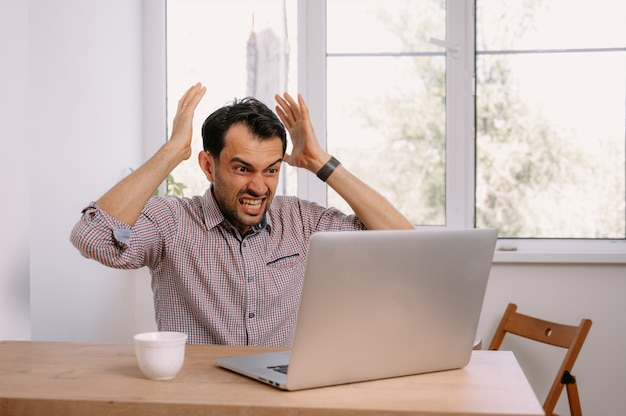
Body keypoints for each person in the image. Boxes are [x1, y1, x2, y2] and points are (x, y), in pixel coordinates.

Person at [70, 82, 414, 345]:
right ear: (208, 165)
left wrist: (320, 162)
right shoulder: (171, 222)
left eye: (271, 170)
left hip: (281, 400)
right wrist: (173, 151)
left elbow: (403, 246)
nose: (259, 187)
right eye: (242, 168)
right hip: (199, 399)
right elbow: (92, 237)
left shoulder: (301, 221)